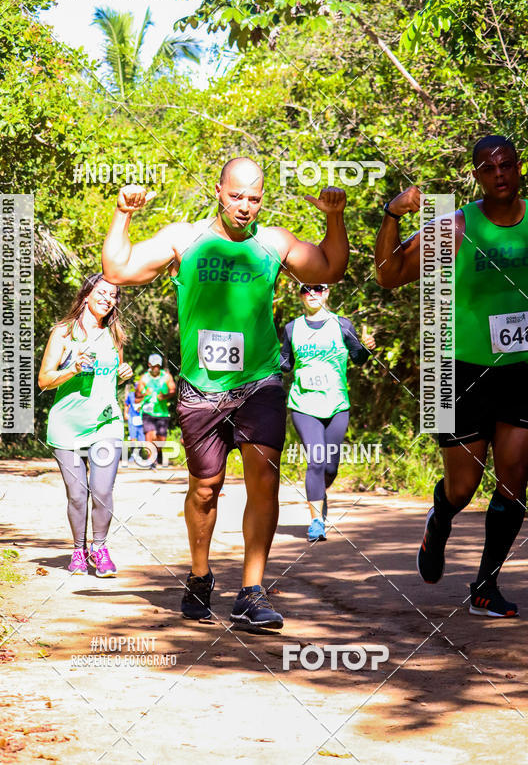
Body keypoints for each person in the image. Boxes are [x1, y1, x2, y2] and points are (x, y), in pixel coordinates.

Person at [101, 156, 349, 630]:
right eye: (236, 196)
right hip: (201, 390)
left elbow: (332, 268)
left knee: (264, 477)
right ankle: (199, 577)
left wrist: (334, 218)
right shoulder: (185, 238)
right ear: (218, 191)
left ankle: (251, 592)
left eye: (254, 199)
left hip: (260, 382)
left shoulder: (273, 242)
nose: (245, 207)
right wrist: (123, 213)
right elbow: (117, 269)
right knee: (206, 487)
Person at [375, 135, 528, 617]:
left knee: (513, 481)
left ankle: (485, 587)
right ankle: (439, 520)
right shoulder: (457, 227)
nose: (499, 173)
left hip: (520, 371)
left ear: (519, 166)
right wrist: (393, 214)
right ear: (477, 177)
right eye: (488, 167)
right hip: (457, 369)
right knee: (462, 487)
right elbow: (389, 273)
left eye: (506, 163)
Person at [38, 274, 133, 577]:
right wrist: (72, 369)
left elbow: (113, 373)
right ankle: (78, 550)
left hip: (107, 423)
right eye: (103, 293)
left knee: (102, 490)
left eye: (114, 295)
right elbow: (44, 380)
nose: (109, 299)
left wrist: (123, 372)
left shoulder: (115, 335)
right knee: (77, 494)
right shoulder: (63, 333)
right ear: (87, 295)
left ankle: (100, 549)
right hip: (67, 425)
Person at [281, 283, 375, 541]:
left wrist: (366, 347)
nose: (312, 293)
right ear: (299, 295)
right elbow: (285, 364)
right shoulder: (292, 328)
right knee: (316, 461)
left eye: (318, 289)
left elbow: (358, 358)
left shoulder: (342, 325)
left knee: (330, 468)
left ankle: (319, 495)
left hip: (336, 405)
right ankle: (316, 521)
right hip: (303, 406)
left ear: (327, 293)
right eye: (306, 289)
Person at [135, 353, 176, 467]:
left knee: (161, 439)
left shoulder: (166, 376)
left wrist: (165, 395)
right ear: (149, 365)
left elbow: (173, 390)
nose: (156, 368)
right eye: (153, 365)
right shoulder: (144, 378)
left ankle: (157, 452)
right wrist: (144, 394)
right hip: (148, 412)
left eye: (158, 365)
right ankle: (151, 460)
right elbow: (137, 395)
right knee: (149, 435)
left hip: (162, 412)